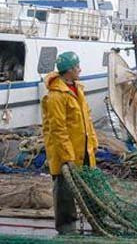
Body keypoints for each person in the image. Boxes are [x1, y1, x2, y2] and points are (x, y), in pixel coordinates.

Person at [41, 51, 99, 235]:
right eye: (76, 67)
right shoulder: (56, 96)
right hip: (65, 155)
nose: (80, 69)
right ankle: (67, 228)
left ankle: (99, 222)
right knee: (64, 192)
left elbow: (86, 118)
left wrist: (93, 142)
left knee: (91, 189)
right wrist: (67, 158)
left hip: (84, 151)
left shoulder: (78, 89)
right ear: (69, 71)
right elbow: (59, 129)